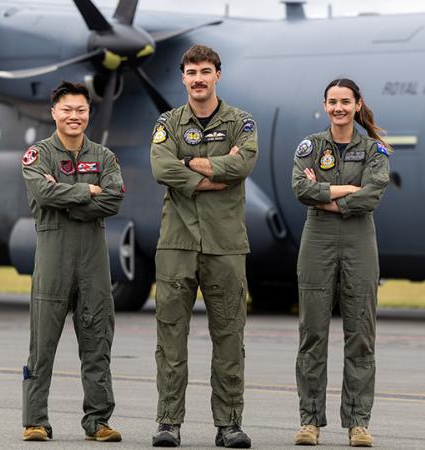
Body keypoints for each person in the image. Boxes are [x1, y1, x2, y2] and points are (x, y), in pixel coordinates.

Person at [149, 44, 258, 448]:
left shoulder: (241, 123)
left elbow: (242, 164)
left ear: (217, 75)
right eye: (191, 71)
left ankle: (229, 425)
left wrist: (188, 163)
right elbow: (161, 166)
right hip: (177, 243)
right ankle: (168, 422)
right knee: (171, 336)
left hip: (226, 244)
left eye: (205, 71)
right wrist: (210, 173)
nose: (198, 78)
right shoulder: (168, 123)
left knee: (229, 337)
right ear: (183, 77)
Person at [20, 81, 125, 442]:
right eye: (67, 110)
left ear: (88, 113)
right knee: (43, 341)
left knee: (98, 340)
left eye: (81, 110)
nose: (74, 116)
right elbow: (41, 191)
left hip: (93, 258)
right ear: (54, 112)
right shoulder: (39, 155)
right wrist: (85, 190)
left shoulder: (105, 157)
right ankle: (35, 420)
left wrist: (66, 198)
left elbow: (112, 200)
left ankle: (98, 421)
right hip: (53, 254)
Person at [290, 78, 391, 447]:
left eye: (345, 102)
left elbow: (372, 195)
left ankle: (358, 423)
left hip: (359, 240)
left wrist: (328, 197)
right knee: (312, 333)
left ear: (358, 104)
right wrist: (348, 189)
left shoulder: (374, 150)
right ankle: (310, 421)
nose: (338, 108)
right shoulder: (310, 146)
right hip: (317, 239)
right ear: (325, 105)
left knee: (360, 335)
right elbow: (300, 188)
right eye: (332, 102)